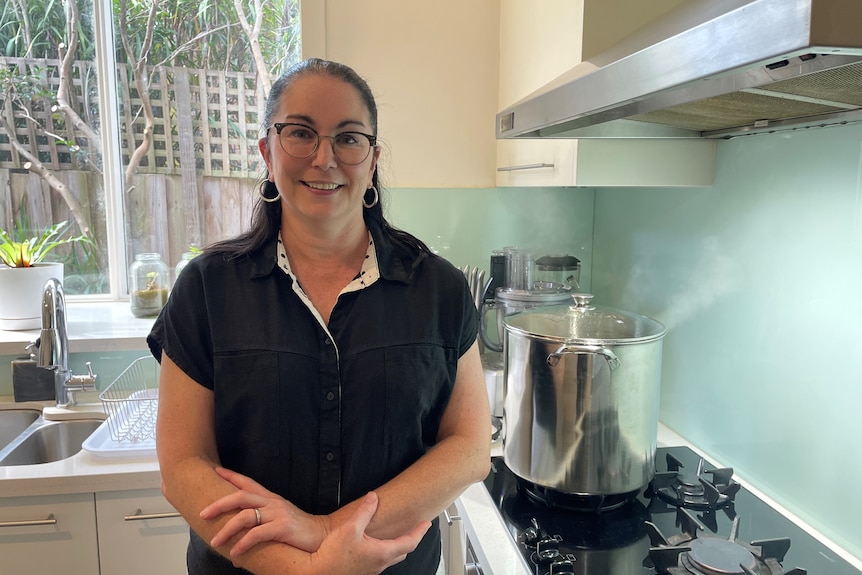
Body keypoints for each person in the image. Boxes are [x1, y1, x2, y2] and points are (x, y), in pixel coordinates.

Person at [148, 57, 491, 575]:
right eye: (301, 133)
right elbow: (183, 469)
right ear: (267, 152)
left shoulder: (438, 289)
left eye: (348, 138)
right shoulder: (206, 289)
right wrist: (307, 569)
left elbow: (469, 448)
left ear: (372, 159)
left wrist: (328, 531)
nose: (324, 157)